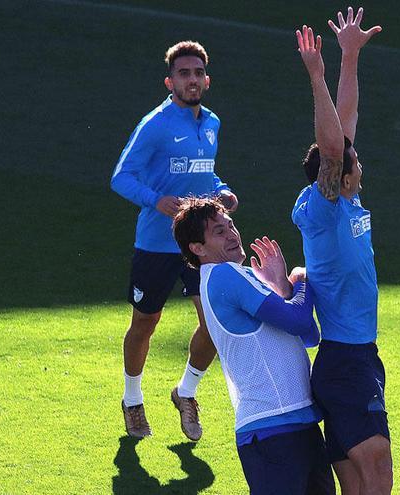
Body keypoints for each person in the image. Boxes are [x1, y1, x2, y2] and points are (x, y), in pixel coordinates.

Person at [111, 40, 238, 440]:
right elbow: (121, 177)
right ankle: (132, 399)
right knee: (145, 322)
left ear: (207, 79)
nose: (192, 80)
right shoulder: (155, 125)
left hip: (200, 246)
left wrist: (224, 190)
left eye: (198, 73)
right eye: (184, 74)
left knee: (214, 325)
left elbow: (205, 174)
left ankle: (186, 392)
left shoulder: (212, 123)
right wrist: (156, 201)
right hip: (156, 244)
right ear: (170, 81)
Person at [291, 11, 392, 495]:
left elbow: (343, 127)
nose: (358, 158)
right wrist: (316, 76)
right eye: (349, 161)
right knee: (378, 476)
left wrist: (349, 58)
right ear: (339, 173)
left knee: (356, 485)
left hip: (351, 359)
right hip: (348, 362)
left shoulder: (344, 199)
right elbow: (335, 148)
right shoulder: (326, 206)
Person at [172, 197, 334, 495]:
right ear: (198, 248)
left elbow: (309, 335)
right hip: (271, 431)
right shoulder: (224, 275)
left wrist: (285, 289)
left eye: (231, 225)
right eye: (219, 232)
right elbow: (300, 323)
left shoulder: (243, 275)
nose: (232, 234)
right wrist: (301, 279)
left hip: (298, 424)